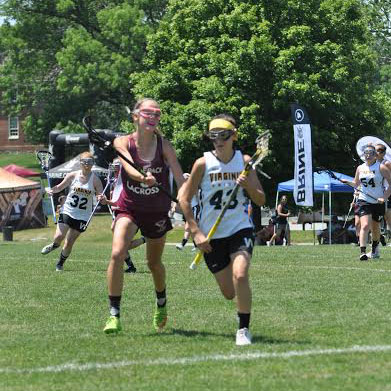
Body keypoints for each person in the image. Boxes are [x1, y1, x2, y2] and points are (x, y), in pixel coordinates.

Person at [179, 114, 265, 346]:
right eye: (213, 136)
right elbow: (184, 198)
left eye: (223, 135)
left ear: (233, 136)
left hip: (240, 228)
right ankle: (241, 304)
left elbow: (260, 199)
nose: (218, 140)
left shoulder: (245, 162)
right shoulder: (202, 164)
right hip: (211, 235)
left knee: (241, 274)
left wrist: (248, 185)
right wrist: (196, 232)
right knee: (229, 292)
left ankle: (243, 329)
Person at [103, 98, 184, 334]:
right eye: (147, 113)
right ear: (135, 116)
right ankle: (114, 315)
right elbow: (128, 168)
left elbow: (180, 179)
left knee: (153, 263)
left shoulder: (165, 146)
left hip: (156, 210)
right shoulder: (122, 142)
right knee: (117, 253)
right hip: (129, 207)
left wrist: (185, 200)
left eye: (157, 114)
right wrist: (142, 178)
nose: (152, 118)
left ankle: (161, 303)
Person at [41, 152, 105, 271]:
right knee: (59, 236)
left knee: (69, 242)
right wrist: (52, 191)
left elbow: (102, 198)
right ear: (80, 163)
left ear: (92, 164)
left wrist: (102, 198)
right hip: (68, 211)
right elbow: (59, 187)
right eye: (84, 162)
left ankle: (60, 264)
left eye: (90, 162)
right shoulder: (73, 175)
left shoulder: (95, 180)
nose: (87, 164)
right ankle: (55, 245)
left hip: (83, 216)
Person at [341, 144, 391, 260]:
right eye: (366, 154)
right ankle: (362, 252)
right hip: (364, 200)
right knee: (365, 225)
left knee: (375, 227)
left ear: (375, 156)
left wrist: (384, 197)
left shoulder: (381, 168)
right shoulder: (360, 168)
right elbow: (356, 184)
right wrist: (347, 182)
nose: (368, 156)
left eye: (371, 154)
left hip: (378, 201)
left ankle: (375, 249)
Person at [106, 158, 145, 273]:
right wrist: (107, 201)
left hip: (132, 214)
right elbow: (117, 200)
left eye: (117, 164)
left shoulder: (129, 179)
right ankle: (131, 267)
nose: (115, 166)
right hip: (119, 212)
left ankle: (145, 239)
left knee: (121, 246)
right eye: (114, 164)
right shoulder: (114, 180)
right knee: (120, 244)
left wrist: (110, 202)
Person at [176, 173, 199, 251]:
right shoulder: (182, 187)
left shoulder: (193, 186)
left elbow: (198, 197)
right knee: (190, 228)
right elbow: (179, 198)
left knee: (188, 227)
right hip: (187, 209)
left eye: (186, 177)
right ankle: (196, 245)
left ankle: (182, 244)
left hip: (194, 208)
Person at [375, 143, 391, 246]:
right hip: (377, 193)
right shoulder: (372, 164)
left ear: (384, 153)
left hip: (387, 192)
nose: (377, 152)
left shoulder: (387, 163)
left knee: (388, 217)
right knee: (376, 217)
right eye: (376, 150)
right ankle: (379, 237)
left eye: (380, 151)